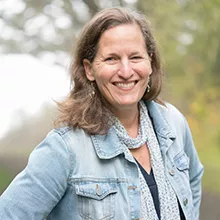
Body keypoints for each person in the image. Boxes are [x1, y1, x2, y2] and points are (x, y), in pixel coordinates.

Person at [0, 7, 203, 220]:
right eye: (111, 59)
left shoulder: (173, 122)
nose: (126, 72)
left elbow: (194, 179)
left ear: (150, 62)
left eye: (135, 57)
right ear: (89, 70)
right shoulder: (65, 149)